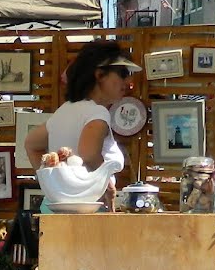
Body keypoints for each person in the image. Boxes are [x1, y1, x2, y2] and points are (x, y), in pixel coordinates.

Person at [22, 39, 140, 201]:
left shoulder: (63, 111)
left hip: (57, 207)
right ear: (99, 75)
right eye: (123, 73)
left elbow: (31, 143)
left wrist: (51, 184)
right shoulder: (97, 112)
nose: (128, 82)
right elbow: (89, 154)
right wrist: (107, 187)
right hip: (89, 210)